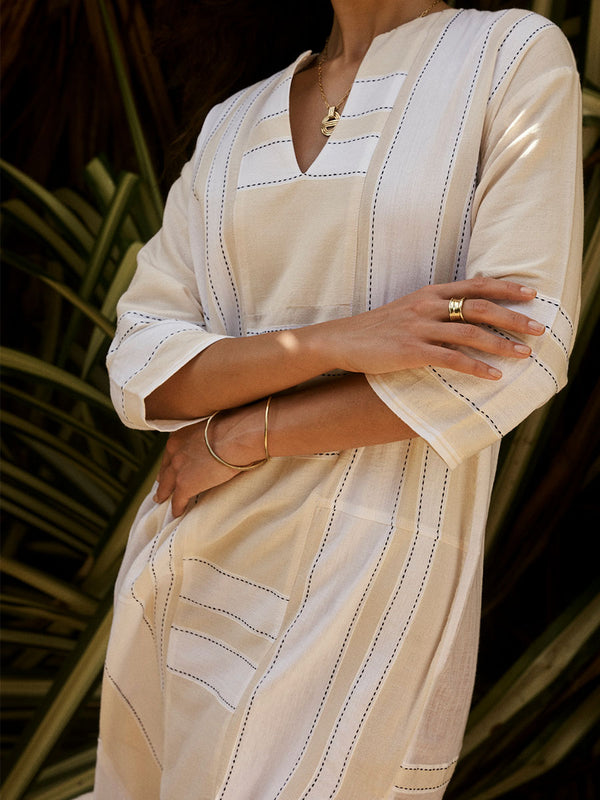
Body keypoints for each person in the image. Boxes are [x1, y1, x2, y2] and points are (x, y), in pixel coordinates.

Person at [92, 0, 582, 797]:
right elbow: (142, 363)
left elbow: (517, 347)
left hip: (371, 574)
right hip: (189, 564)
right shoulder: (232, 123)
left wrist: (244, 435)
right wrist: (340, 342)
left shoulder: (509, 56)